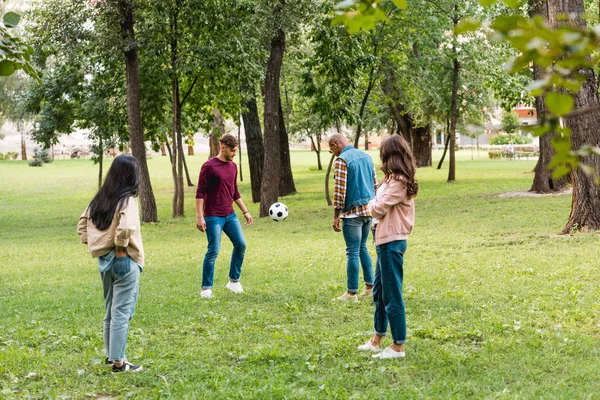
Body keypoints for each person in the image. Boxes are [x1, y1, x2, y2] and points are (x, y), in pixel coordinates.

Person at [77, 154, 144, 372]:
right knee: (121, 311)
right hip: (123, 259)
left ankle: (110, 355)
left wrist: (96, 244)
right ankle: (119, 362)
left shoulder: (100, 198)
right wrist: (119, 247)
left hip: (104, 261)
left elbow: (82, 225)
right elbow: (125, 228)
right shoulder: (127, 200)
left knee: (110, 310)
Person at [358, 134, 418, 359]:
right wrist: (373, 203)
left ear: (390, 155)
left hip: (392, 242)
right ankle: (377, 339)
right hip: (383, 240)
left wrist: (371, 204)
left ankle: (398, 346)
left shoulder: (401, 182)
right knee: (380, 292)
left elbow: (376, 209)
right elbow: (376, 204)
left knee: (392, 294)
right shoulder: (390, 180)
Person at [196, 134, 253, 299]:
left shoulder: (233, 167)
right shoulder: (209, 166)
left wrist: (245, 211)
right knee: (213, 250)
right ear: (223, 147)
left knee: (241, 245)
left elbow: (233, 190)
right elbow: (200, 192)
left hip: (230, 215)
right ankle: (206, 289)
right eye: (232, 151)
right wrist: (200, 216)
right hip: (213, 216)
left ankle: (233, 282)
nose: (234, 154)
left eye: (236, 151)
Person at [329, 134, 377, 302]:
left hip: (352, 213)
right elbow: (375, 184)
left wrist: (336, 215)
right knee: (362, 248)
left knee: (352, 251)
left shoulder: (342, 160)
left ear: (335, 144)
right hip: (369, 211)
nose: (333, 153)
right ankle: (370, 287)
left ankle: (351, 293)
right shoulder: (367, 156)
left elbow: (340, 191)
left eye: (331, 149)